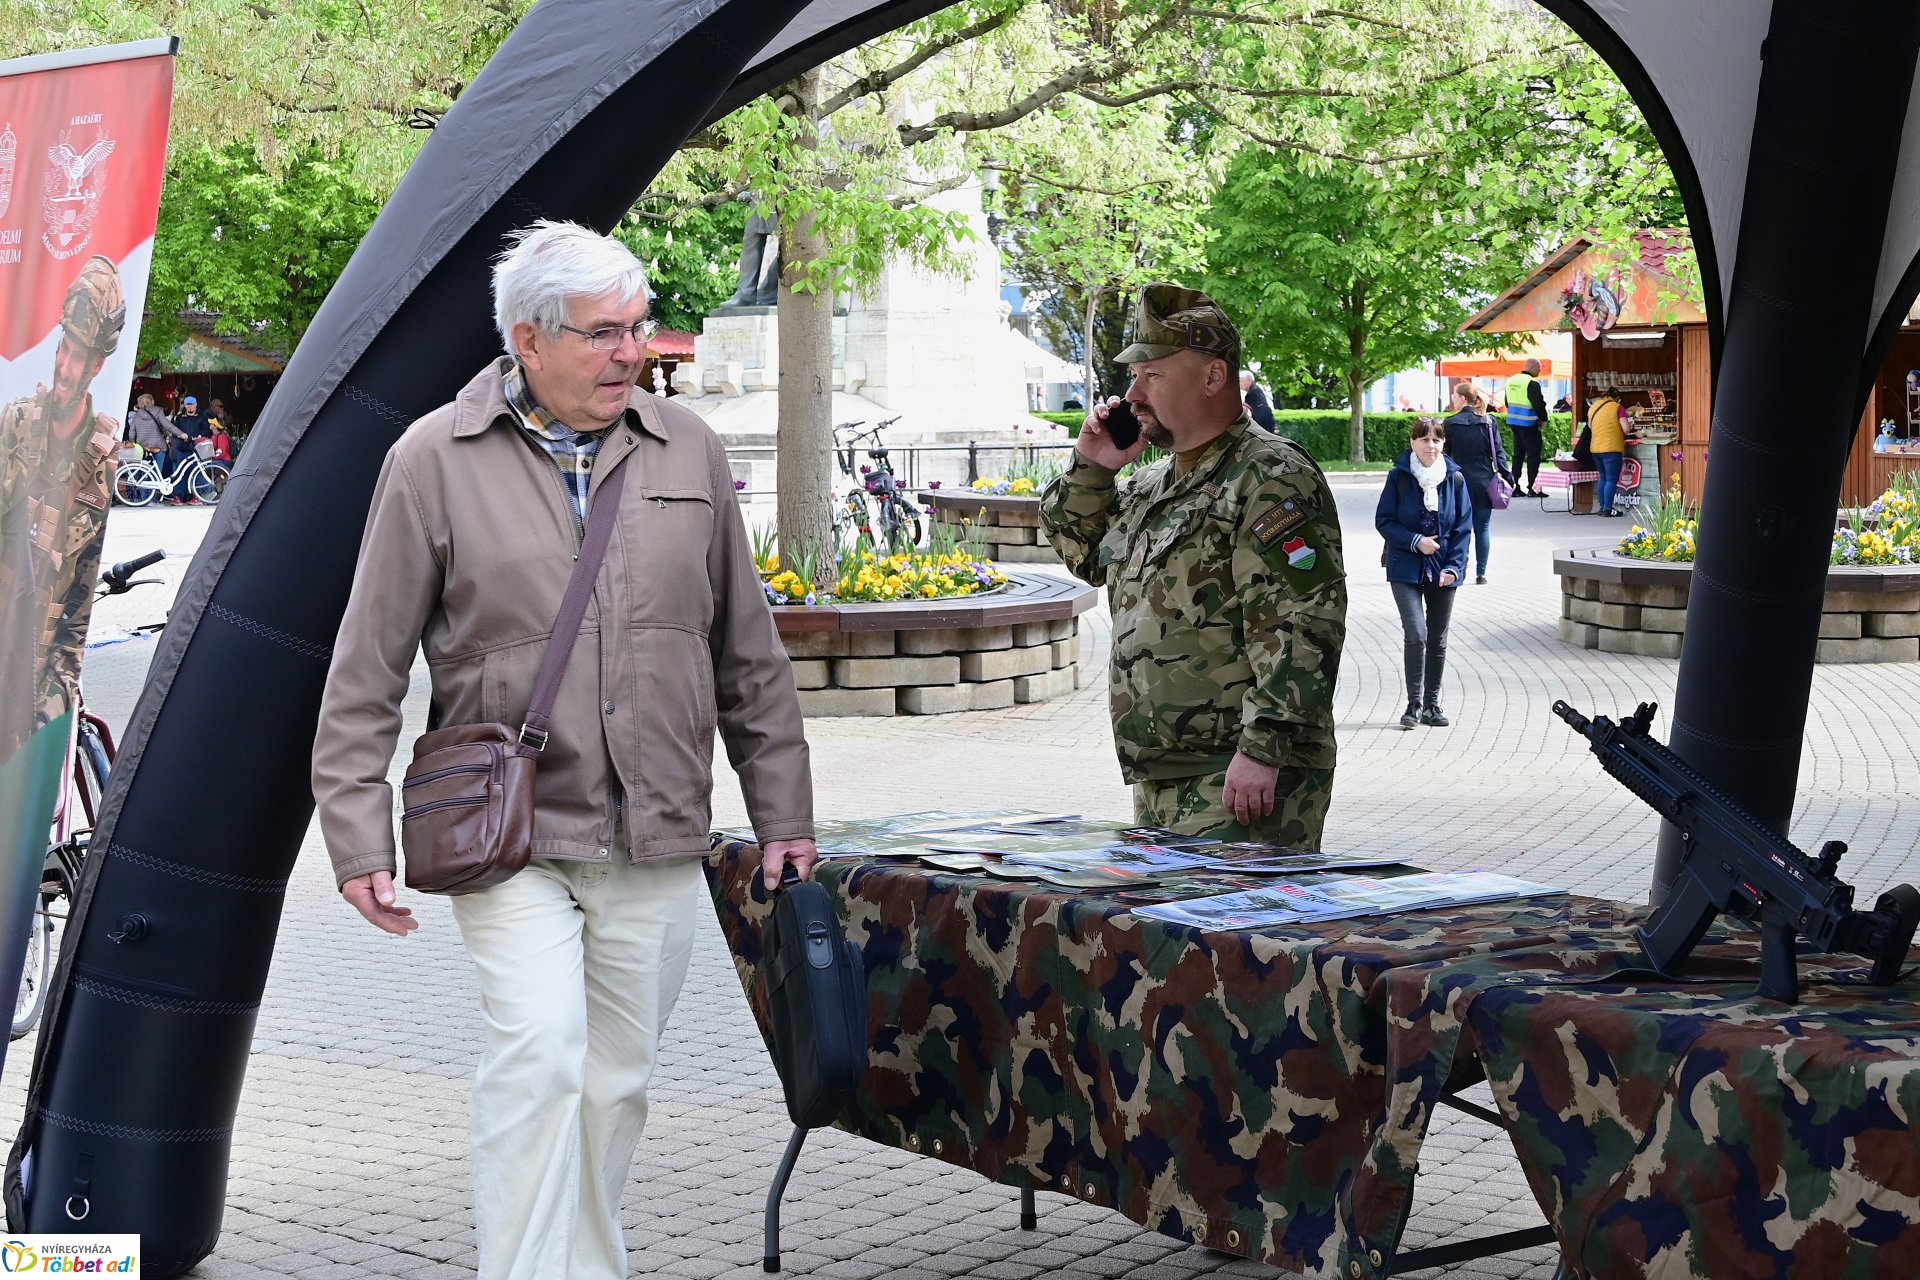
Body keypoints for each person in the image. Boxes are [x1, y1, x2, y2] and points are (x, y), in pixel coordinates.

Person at [310, 220, 818, 1280]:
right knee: (539, 1055)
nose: (630, 351)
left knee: (618, 1078)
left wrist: (786, 817)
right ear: (525, 340)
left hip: (657, 824)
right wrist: (358, 834)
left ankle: (586, 1263)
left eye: (635, 327)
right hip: (512, 832)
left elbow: (749, 654)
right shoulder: (430, 459)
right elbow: (365, 668)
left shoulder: (691, 448)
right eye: (602, 333)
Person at [1040, 282, 1346, 847]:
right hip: (1164, 778)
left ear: (1213, 378)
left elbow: (1304, 619)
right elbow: (1086, 554)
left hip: (1240, 778)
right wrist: (1093, 468)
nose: (1132, 393)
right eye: (1134, 376)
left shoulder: (1269, 476)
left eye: (1152, 375)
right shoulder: (1157, 482)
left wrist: (1264, 747)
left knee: (1232, 934)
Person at [0, 255, 126, 760]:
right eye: (63, 350)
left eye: (80, 357)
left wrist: (51, 705)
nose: (66, 367)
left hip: (37, 676)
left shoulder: (101, 465)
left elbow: (78, 610)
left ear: (98, 365)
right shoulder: (15, 427)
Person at [1376, 418, 1472, 729]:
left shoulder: (1455, 479)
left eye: (1436, 440)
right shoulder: (1399, 477)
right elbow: (1385, 521)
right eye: (1424, 440)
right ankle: (1414, 703)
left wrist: (1454, 567)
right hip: (1405, 566)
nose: (1430, 446)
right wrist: (1415, 541)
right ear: (1413, 442)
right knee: (1416, 633)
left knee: (1438, 638)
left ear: (1443, 444)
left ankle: (1432, 704)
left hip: (1444, 570)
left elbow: (1463, 528)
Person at [1442, 380, 1512, 585]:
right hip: (1484, 482)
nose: (1453, 400)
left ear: (1463, 398)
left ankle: (1459, 567)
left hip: (1458, 482)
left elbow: (1445, 455)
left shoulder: (1450, 423)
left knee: (1458, 528)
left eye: (1455, 396)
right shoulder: (1489, 422)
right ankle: (1481, 574)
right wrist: (1508, 478)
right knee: (1482, 528)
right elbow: (1498, 453)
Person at [1503, 358, 1549, 496]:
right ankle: (1532, 488)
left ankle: (1514, 487)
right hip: (1529, 423)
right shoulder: (1532, 383)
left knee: (1518, 455)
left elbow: (1507, 402)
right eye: (1539, 368)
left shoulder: (1511, 380)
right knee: (1533, 455)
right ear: (1532, 367)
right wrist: (1543, 419)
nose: (1540, 371)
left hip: (1514, 422)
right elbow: (1538, 404)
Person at [166, 394, 214, 502]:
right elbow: (174, 430)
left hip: (197, 450)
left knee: (198, 473)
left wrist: (197, 437)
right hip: (182, 449)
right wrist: (180, 436)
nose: (190, 407)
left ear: (196, 404)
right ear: (184, 406)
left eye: (192, 404)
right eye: (188, 405)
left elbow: (206, 431)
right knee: (180, 474)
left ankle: (198, 497)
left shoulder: (202, 417)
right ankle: (179, 497)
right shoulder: (179, 417)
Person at [1587, 383, 1627, 516]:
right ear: (1617, 398)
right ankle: (1608, 509)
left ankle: (1602, 508)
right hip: (1611, 448)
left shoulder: (1594, 407)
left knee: (1603, 478)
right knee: (1611, 479)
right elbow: (1626, 428)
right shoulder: (1617, 407)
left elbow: (1591, 427)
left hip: (1595, 448)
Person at [124, 392, 171, 457]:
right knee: (157, 466)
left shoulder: (134, 415)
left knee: (141, 466)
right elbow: (165, 429)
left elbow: (132, 431)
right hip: (158, 446)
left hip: (141, 446)